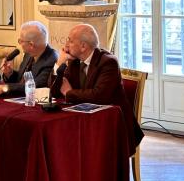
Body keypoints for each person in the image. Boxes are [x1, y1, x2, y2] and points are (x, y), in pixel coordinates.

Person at [50, 23, 143, 156]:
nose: (66, 44)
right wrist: (59, 64)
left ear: (83, 46)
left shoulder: (108, 62)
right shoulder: (75, 61)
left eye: (70, 40)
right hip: (87, 120)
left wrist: (69, 93)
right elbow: (54, 92)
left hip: (113, 127)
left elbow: (99, 96)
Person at [0, 21, 57, 96]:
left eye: (21, 41)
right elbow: (20, 81)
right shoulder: (29, 54)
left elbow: (35, 86)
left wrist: (5, 88)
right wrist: (10, 73)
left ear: (31, 44)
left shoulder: (51, 59)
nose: (19, 44)